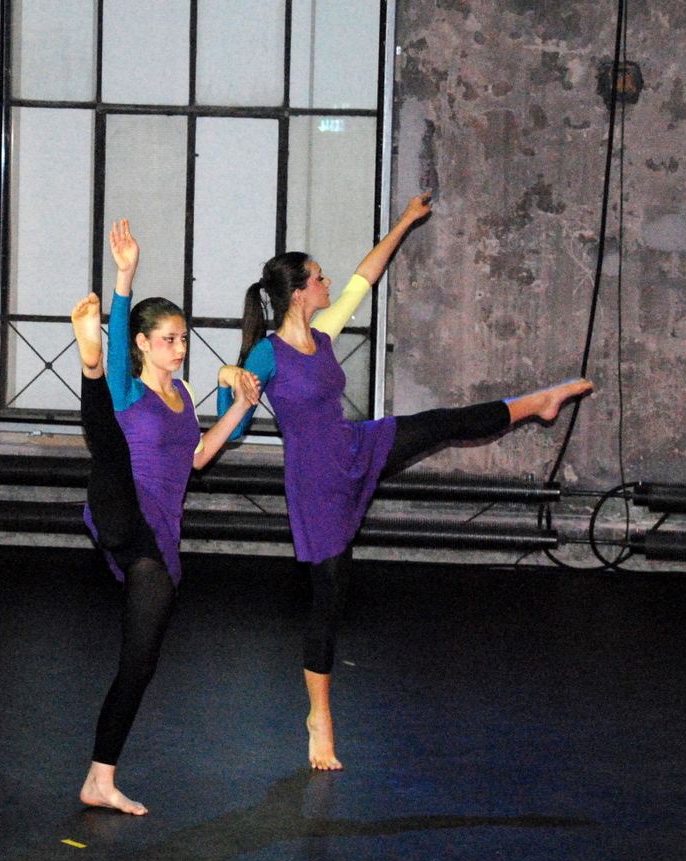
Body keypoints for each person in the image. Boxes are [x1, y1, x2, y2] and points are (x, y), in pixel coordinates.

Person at [218, 194, 593, 771]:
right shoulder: (267, 356)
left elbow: (365, 276)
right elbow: (235, 424)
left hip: (355, 447)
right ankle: (320, 717)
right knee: (330, 596)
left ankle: (537, 402)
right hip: (316, 483)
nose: (328, 282)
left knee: (439, 423)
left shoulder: (323, 332)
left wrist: (406, 222)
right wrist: (230, 376)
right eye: (319, 278)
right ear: (299, 293)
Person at [73, 220, 260, 815]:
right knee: (107, 435)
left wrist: (240, 407)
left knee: (140, 663)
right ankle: (89, 363)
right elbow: (122, 342)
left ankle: (99, 778)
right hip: (120, 508)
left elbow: (198, 456)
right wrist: (124, 275)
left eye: (183, 339)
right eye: (169, 339)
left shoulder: (182, 400)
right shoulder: (133, 389)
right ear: (143, 343)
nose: (180, 348)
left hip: (158, 533)